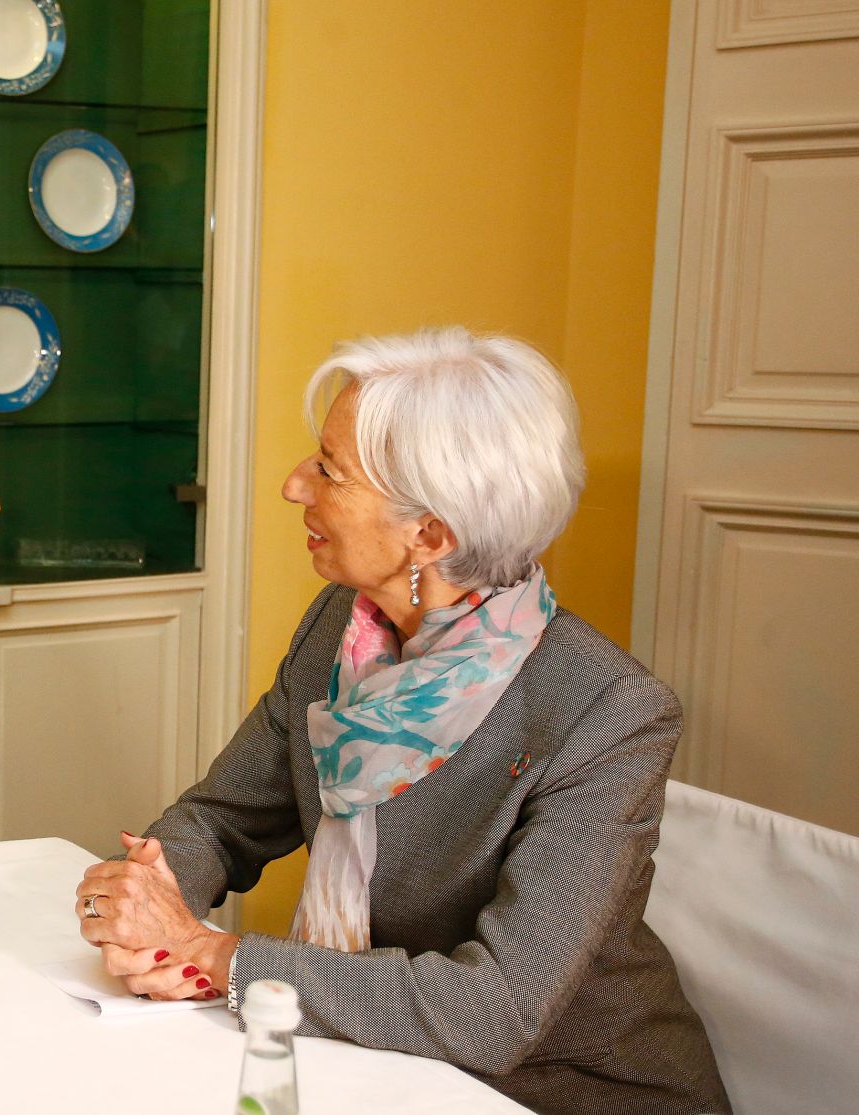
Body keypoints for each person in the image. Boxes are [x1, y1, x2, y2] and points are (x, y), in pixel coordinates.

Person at [74, 328, 728, 1114]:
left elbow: (494, 1010)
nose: (293, 485)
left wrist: (220, 955)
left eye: (329, 471)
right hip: (383, 1065)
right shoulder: (339, 629)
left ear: (432, 535)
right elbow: (223, 818)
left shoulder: (608, 711)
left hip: (556, 1092)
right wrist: (147, 895)